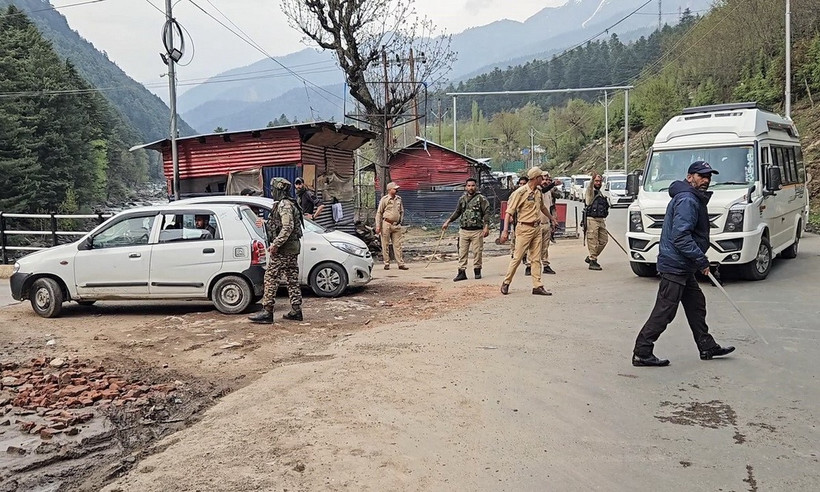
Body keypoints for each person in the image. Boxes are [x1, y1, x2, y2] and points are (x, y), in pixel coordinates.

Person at [632, 161, 735, 367]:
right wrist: (701, 260)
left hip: (682, 265)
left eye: (708, 177)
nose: (706, 180)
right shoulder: (688, 200)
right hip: (675, 265)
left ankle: (706, 345)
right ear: (690, 177)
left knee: (696, 304)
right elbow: (680, 236)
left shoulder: (691, 197)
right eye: (701, 176)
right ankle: (642, 352)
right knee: (665, 310)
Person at [248, 177, 304, 324]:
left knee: (271, 277)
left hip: (284, 250)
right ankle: (296, 310)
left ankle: (267, 311)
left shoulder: (284, 205)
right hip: (292, 249)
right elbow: (281, 224)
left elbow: (287, 227)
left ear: (278, 190)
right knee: (292, 279)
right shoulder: (288, 203)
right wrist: (266, 223)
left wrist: (275, 245)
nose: (272, 192)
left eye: (273, 189)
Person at [499, 167, 558, 296]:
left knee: (536, 258)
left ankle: (537, 285)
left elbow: (542, 207)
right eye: (541, 177)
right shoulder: (520, 193)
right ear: (536, 178)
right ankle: (506, 282)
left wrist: (552, 218)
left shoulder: (538, 192)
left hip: (537, 228)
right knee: (517, 257)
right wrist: (505, 231)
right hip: (524, 228)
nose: (543, 179)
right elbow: (509, 212)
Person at [442, 177, 491, 281]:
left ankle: (477, 271)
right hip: (464, 230)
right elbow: (457, 212)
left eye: (473, 185)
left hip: (477, 230)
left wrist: (486, 226)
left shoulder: (481, 199)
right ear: (465, 187)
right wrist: (448, 221)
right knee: (462, 252)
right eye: (469, 186)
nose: (471, 188)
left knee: (477, 252)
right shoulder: (462, 199)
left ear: (476, 186)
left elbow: (486, 212)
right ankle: (461, 272)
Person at [375, 182, 408, 270]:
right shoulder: (384, 199)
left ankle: (400, 263)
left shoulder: (399, 199)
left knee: (398, 245)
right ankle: (386, 263)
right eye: (394, 188)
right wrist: (378, 226)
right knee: (385, 244)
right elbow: (379, 213)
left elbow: (401, 211)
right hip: (386, 224)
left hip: (396, 225)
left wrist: (400, 221)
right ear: (389, 190)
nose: (396, 190)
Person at [584, 173, 609, 271]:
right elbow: (590, 187)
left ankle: (591, 257)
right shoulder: (590, 192)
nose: (598, 183)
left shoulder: (600, 193)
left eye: (599, 181)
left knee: (604, 240)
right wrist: (592, 179)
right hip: (592, 219)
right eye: (596, 181)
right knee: (593, 241)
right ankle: (593, 261)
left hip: (601, 220)